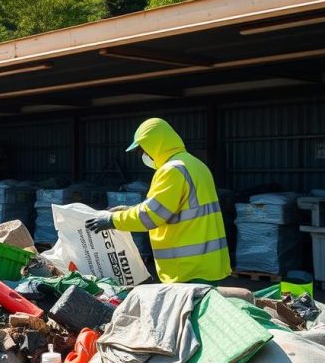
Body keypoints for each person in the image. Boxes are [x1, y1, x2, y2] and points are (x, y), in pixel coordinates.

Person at [85, 118, 230, 284]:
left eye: (143, 150)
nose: (143, 155)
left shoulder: (172, 170)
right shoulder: (195, 164)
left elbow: (152, 216)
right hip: (209, 265)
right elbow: (173, 209)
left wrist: (112, 220)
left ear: (155, 144)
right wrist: (129, 210)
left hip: (188, 269)